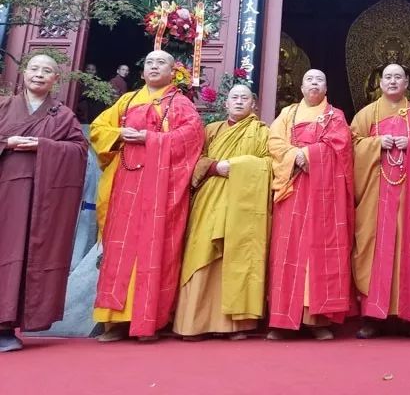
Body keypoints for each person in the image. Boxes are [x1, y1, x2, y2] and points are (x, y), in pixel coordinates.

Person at [91, 50, 204, 342]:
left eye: (161, 63)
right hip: (125, 184)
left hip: (161, 188)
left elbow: (191, 139)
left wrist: (149, 139)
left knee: (155, 249)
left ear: (173, 72)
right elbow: (98, 129)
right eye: (150, 63)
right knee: (118, 247)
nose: (154, 67)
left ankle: (148, 321)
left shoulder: (181, 105)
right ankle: (113, 321)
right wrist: (119, 134)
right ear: (142, 72)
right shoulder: (127, 101)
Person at [0, 54, 87, 353]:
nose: (39, 74)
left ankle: (6, 327)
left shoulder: (62, 116)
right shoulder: (4, 106)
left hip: (40, 200)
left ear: (55, 79)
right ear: (24, 73)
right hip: (4, 195)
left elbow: (78, 149)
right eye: (34, 69)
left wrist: (43, 145)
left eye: (47, 71)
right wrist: (6, 143)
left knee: (23, 256)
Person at [173, 84, 271, 340]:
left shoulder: (262, 132)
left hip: (245, 204)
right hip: (210, 198)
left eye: (245, 98)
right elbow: (192, 160)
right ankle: (195, 322)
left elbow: (270, 164)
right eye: (234, 97)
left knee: (237, 256)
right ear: (225, 104)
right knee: (202, 252)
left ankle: (235, 326)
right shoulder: (211, 130)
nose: (239, 102)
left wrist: (237, 166)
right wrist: (216, 166)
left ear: (254, 105)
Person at [351, 63, 410, 339]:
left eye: (397, 77)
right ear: (379, 83)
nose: (392, 82)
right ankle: (372, 317)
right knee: (373, 249)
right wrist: (376, 142)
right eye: (387, 77)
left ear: (406, 84)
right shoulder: (366, 115)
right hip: (376, 195)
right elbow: (350, 146)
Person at [267, 69, 354, 340]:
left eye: (319, 80)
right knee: (288, 249)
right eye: (309, 80)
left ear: (326, 87)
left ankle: (318, 321)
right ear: (301, 87)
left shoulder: (335, 116)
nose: (314, 83)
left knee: (319, 250)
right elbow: (274, 142)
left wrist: (310, 155)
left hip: (323, 192)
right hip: (292, 187)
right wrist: (296, 155)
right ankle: (282, 320)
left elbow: (341, 147)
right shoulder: (287, 114)